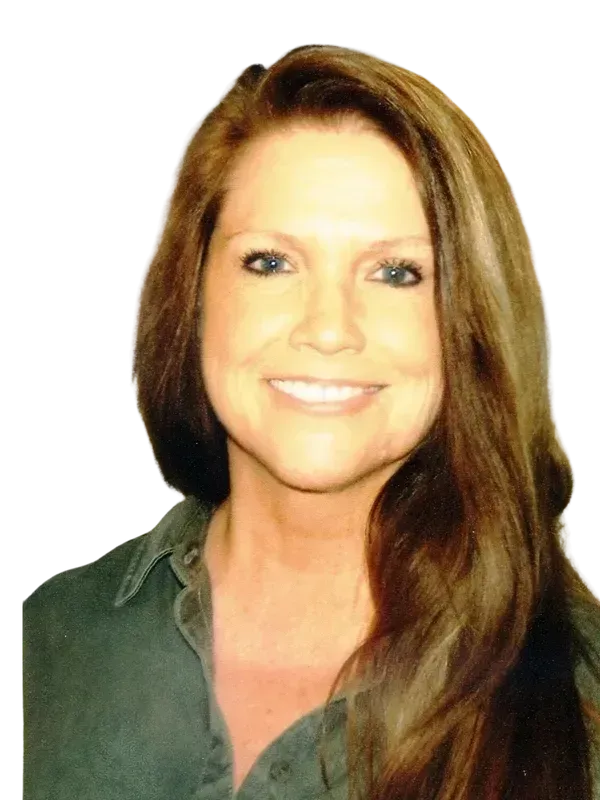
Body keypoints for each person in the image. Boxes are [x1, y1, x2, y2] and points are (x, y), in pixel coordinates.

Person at [22, 43, 600, 799]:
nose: (329, 328)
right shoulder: (46, 635)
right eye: (271, 262)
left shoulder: (582, 697)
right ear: (193, 298)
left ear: (471, 324)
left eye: (396, 272)